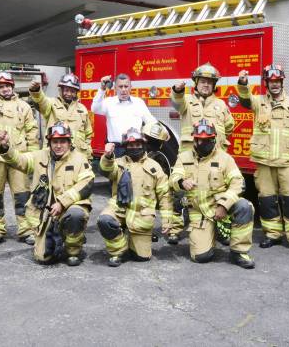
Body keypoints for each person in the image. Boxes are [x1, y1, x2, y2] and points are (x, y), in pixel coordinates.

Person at [0, 121, 95, 266]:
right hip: (47, 213)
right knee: (43, 258)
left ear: (69, 142)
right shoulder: (40, 156)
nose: (58, 145)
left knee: (75, 216)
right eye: (55, 141)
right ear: (49, 142)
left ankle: (73, 250)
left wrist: (62, 202)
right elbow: (20, 160)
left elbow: (87, 183)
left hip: (70, 207)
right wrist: (6, 148)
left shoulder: (79, 158)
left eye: (62, 141)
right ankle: (56, 239)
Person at [237, 64, 289, 253]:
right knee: (267, 200)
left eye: (278, 81)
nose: (275, 84)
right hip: (265, 163)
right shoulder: (259, 102)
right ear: (267, 83)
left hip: (288, 163)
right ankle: (272, 235)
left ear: (282, 82)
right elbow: (245, 100)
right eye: (271, 81)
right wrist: (243, 83)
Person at [169, 119, 256, 269]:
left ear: (214, 139)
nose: (203, 144)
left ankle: (239, 252)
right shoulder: (184, 157)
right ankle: (214, 232)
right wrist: (182, 181)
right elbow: (173, 178)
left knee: (244, 206)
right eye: (200, 140)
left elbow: (238, 183)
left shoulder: (225, 158)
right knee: (201, 257)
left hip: (219, 207)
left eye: (208, 140)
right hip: (198, 211)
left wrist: (223, 205)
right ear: (194, 140)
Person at [0, 48, 39, 247]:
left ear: (12, 86)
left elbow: (32, 132)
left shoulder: (25, 106)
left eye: (7, 85)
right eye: (0, 86)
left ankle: (26, 230)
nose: (4, 89)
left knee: (23, 196)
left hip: (18, 158)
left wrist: (32, 159)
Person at [97, 128, 173, 266]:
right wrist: (107, 156)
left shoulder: (155, 167)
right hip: (119, 210)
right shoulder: (118, 163)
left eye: (137, 144)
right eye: (131, 145)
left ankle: (134, 243)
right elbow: (105, 170)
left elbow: (164, 195)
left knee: (141, 258)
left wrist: (167, 220)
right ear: (126, 146)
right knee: (104, 220)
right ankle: (119, 250)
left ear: (143, 145)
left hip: (141, 217)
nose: (134, 148)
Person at [171, 62, 234, 152]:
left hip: (215, 154)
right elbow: (177, 102)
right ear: (196, 83)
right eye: (202, 82)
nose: (206, 85)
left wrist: (219, 137)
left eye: (209, 82)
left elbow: (229, 126)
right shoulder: (186, 100)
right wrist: (177, 92)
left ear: (214, 85)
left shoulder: (221, 104)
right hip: (190, 154)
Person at [29, 73, 92, 159]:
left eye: (72, 91)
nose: (69, 94)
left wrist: (87, 154)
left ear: (76, 92)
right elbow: (42, 101)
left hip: (77, 156)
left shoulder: (82, 109)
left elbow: (88, 134)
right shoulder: (51, 103)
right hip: (55, 154)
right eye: (66, 90)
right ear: (61, 90)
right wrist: (37, 91)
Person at [91, 73, 156, 157]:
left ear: (130, 87)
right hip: (116, 149)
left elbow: (150, 121)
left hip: (134, 148)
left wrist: (163, 131)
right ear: (115, 88)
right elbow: (95, 109)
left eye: (126, 86)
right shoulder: (109, 102)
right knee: (116, 170)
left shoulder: (139, 102)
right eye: (120, 86)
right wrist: (102, 89)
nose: (123, 89)